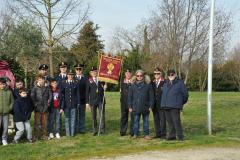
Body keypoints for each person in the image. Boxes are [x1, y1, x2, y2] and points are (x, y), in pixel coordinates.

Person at [161, 69, 189, 141]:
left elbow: (185, 95)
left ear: (175, 75)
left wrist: (180, 102)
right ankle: (172, 135)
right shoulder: (165, 83)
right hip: (166, 105)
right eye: (169, 74)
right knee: (169, 121)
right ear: (167, 75)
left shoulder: (180, 83)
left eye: (172, 74)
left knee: (176, 121)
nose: (171, 76)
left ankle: (180, 136)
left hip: (175, 106)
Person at [128, 70, 154, 140]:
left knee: (146, 122)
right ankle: (135, 134)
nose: (139, 77)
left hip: (145, 107)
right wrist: (130, 106)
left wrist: (151, 106)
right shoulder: (132, 85)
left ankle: (146, 135)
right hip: (135, 106)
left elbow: (151, 97)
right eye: (138, 76)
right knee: (136, 121)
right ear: (136, 76)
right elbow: (130, 97)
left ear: (143, 76)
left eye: (140, 75)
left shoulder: (148, 85)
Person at [86, 66, 107, 136]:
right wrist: (87, 103)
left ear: (97, 72)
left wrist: (105, 87)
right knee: (93, 116)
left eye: (95, 71)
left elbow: (104, 88)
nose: (94, 73)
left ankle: (102, 130)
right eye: (92, 72)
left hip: (101, 100)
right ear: (90, 73)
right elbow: (87, 92)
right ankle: (94, 130)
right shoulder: (89, 80)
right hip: (92, 101)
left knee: (102, 116)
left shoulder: (101, 79)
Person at [31, 75, 52, 140]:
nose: (41, 81)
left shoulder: (47, 88)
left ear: (44, 80)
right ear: (37, 80)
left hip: (45, 108)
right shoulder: (34, 88)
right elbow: (32, 97)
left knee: (45, 123)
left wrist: (48, 104)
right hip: (38, 108)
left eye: (42, 79)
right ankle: (36, 136)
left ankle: (44, 135)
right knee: (37, 123)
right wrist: (36, 104)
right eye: (39, 80)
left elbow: (50, 96)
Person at [60, 70, 80, 137]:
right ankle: (68, 134)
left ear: (73, 76)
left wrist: (78, 103)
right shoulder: (63, 83)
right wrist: (62, 105)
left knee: (73, 119)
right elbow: (62, 94)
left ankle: (72, 133)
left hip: (74, 104)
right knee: (67, 119)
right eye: (69, 75)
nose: (70, 76)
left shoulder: (76, 83)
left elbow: (78, 94)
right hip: (66, 104)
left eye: (71, 75)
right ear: (67, 75)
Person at [152, 67, 166, 139]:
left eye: (158, 73)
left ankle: (163, 134)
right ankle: (158, 133)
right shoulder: (153, 82)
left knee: (162, 119)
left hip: (162, 104)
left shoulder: (165, 82)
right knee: (156, 119)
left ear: (161, 74)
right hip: (154, 105)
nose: (156, 75)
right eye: (155, 73)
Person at [119, 68, 134, 136]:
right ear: (125, 74)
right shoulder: (122, 81)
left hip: (132, 102)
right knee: (124, 117)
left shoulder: (134, 81)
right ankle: (123, 131)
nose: (128, 74)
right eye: (126, 73)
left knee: (132, 117)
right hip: (123, 102)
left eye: (129, 73)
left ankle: (132, 132)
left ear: (131, 74)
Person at [0, 77, 14, 145]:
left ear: (5, 84)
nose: (2, 85)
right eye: (0, 84)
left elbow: (12, 102)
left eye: (3, 84)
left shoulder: (9, 92)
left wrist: (9, 108)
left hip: (6, 113)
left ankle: (4, 139)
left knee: (5, 127)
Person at [74, 64, 88, 134]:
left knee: (82, 115)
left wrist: (87, 101)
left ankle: (82, 129)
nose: (79, 70)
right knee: (75, 116)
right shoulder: (72, 78)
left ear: (82, 70)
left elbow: (87, 90)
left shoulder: (85, 78)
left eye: (80, 69)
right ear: (75, 70)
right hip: (75, 101)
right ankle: (76, 129)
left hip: (83, 100)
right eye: (77, 69)